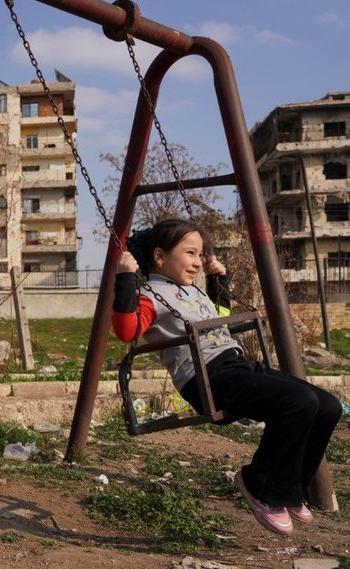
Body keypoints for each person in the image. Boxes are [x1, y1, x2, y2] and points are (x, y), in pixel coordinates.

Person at [111, 218, 342, 536]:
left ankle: (289, 490)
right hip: (207, 379)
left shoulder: (192, 292)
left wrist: (221, 280)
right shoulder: (150, 294)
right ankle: (258, 484)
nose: (197, 262)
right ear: (160, 257)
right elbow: (126, 330)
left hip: (237, 367)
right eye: (190, 253)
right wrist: (124, 278)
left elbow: (219, 319)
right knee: (298, 402)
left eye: (200, 254)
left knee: (327, 405)